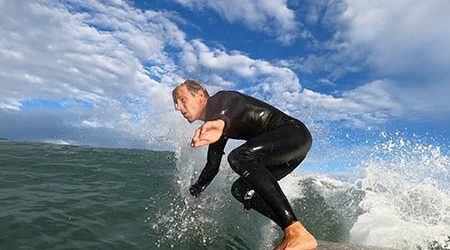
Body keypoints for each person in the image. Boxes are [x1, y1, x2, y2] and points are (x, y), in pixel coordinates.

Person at [172, 79, 318, 250]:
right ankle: (295, 232)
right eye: (175, 103)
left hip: (294, 134)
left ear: (201, 96)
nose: (178, 107)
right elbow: (212, 165)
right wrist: (195, 191)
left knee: (239, 156)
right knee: (240, 190)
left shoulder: (221, 100)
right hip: (287, 150)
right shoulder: (217, 123)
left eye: (182, 100)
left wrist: (221, 121)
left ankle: (296, 232)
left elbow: (235, 102)